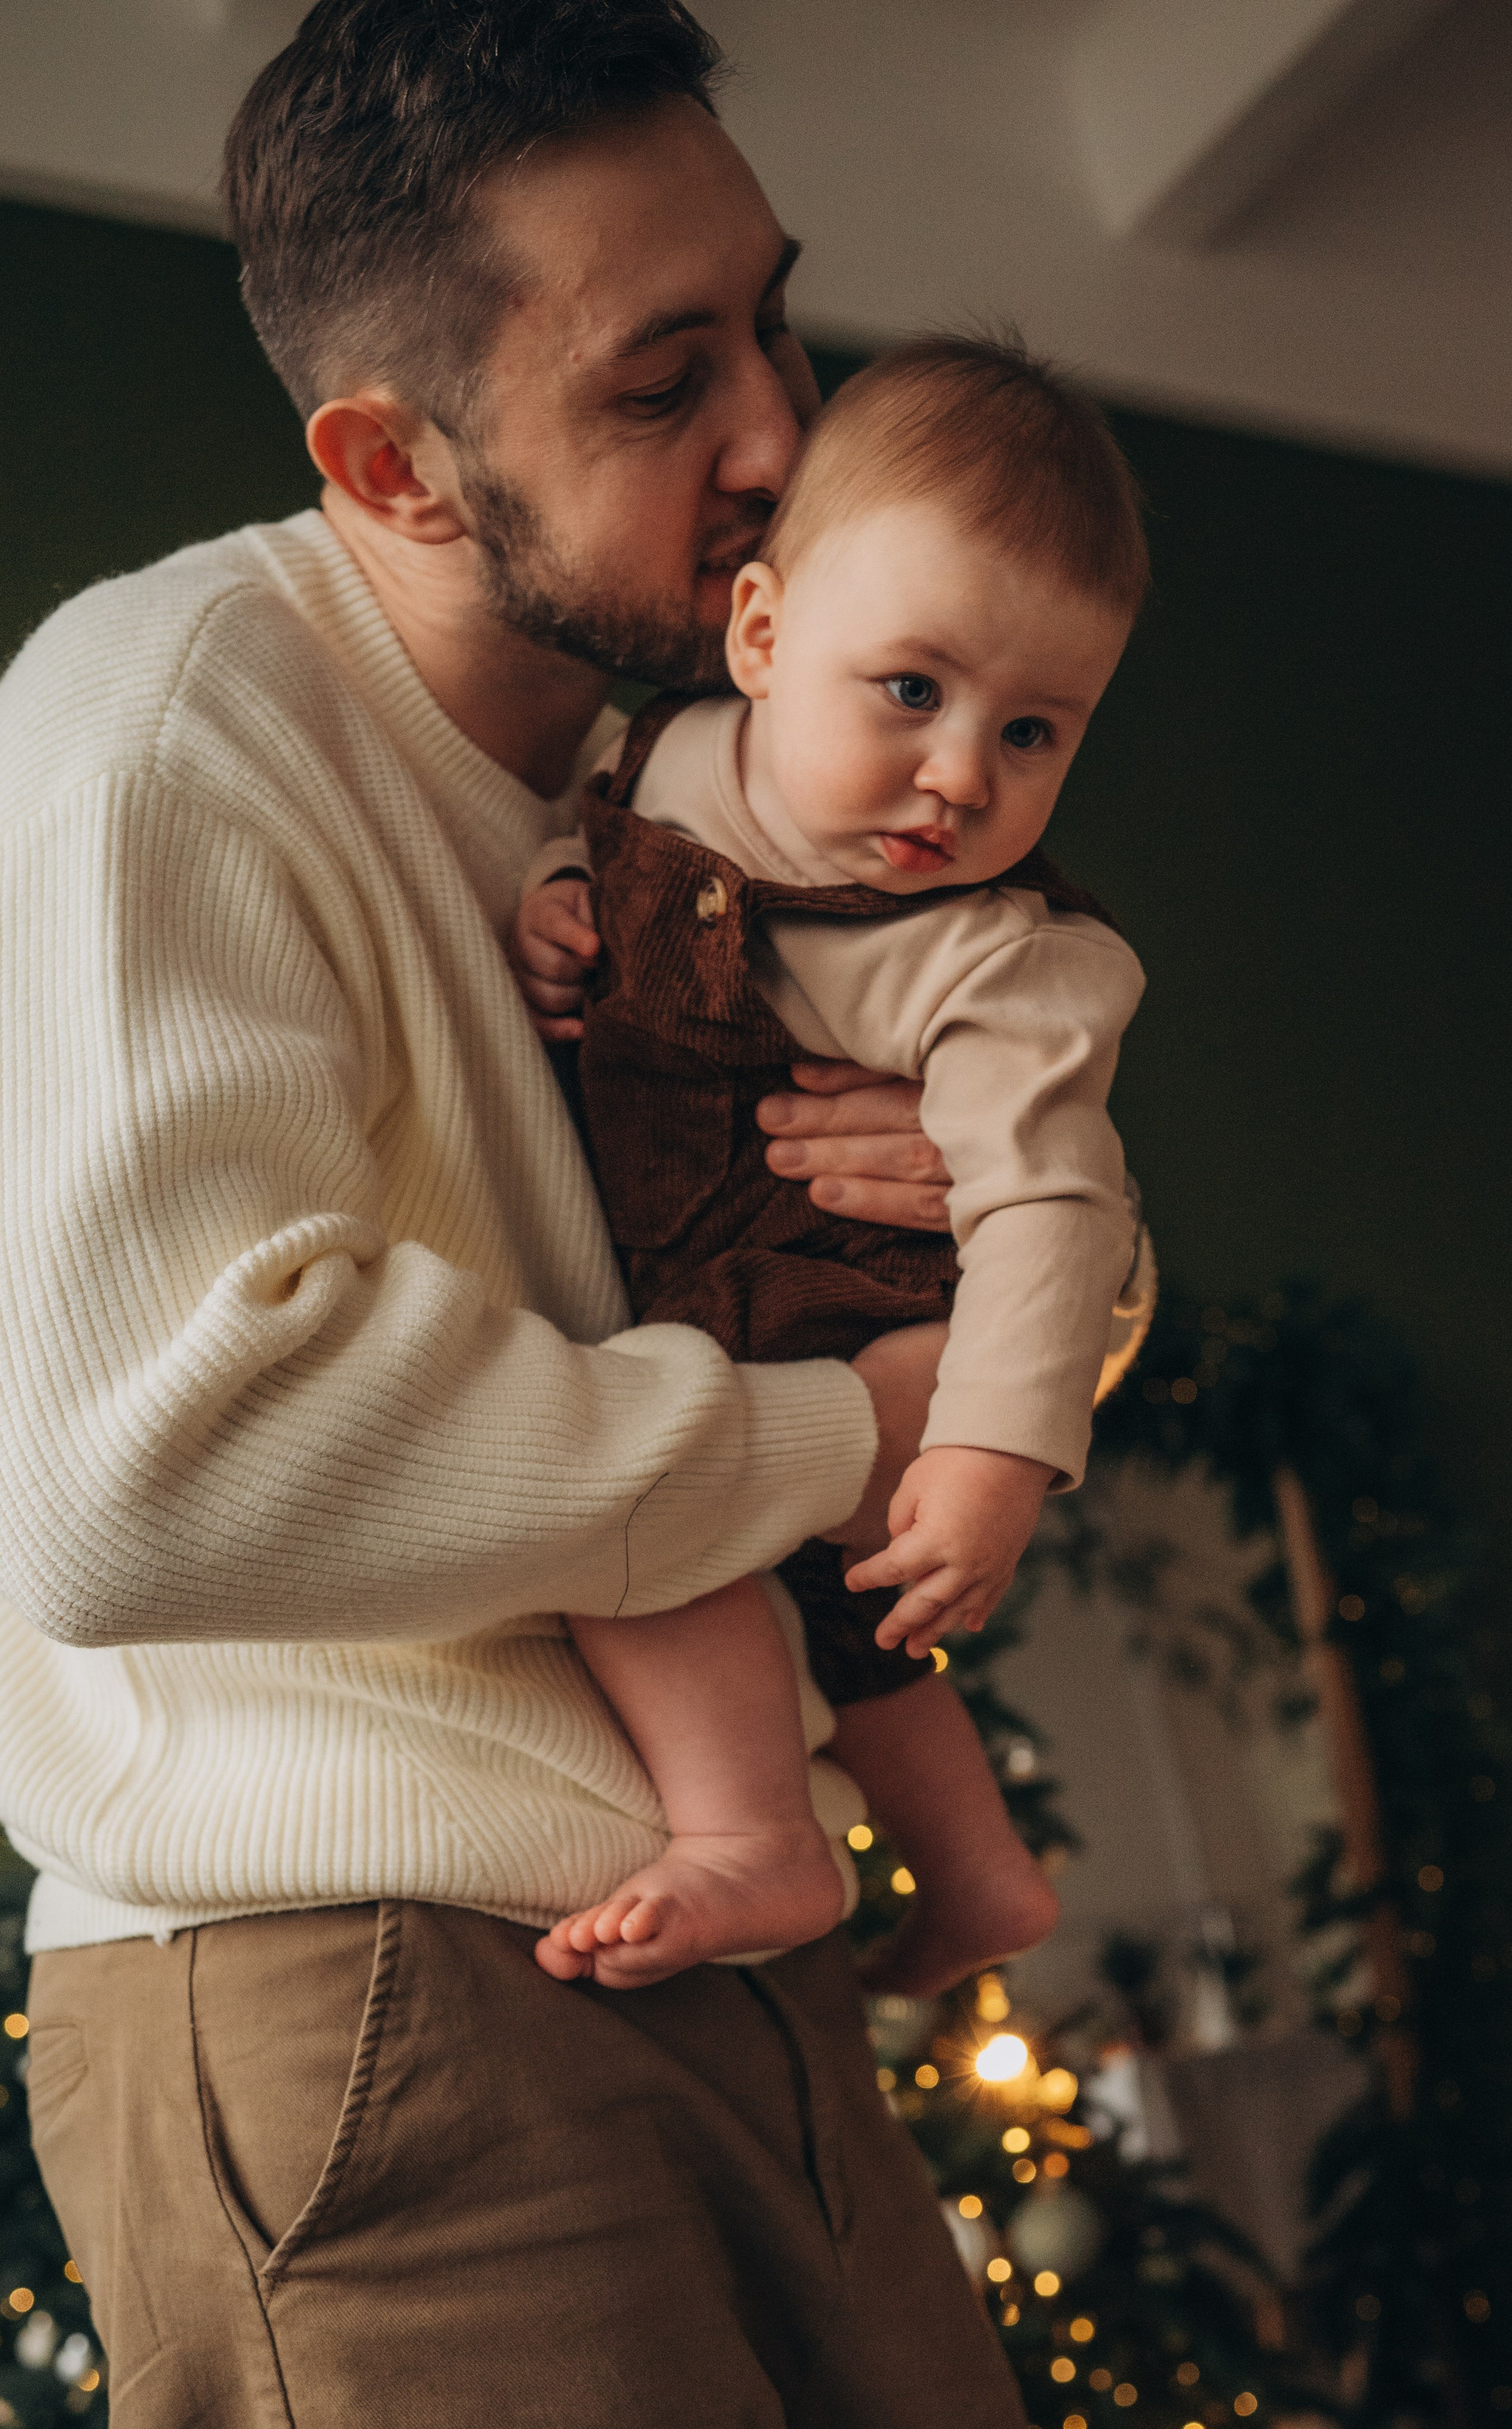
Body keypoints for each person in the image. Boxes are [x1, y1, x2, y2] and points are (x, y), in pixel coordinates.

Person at [0, 4, 1043, 2422]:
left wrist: (997, 1265)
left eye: (773, 314)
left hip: (730, 1942)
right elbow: (148, 1466)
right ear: (394, 461)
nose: (788, 432)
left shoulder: (721, 765)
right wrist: (833, 1430)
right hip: (369, 1988)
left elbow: (1023, 1207)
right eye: (663, 381)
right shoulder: (164, 730)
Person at [509, 337, 1152, 1997]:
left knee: (640, 1523)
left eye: (1033, 731)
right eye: (913, 692)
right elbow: (595, 850)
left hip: (869, 1327)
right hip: (719, 1292)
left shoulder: (999, 963)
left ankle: (751, 1838)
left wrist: (999, 1447)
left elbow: (1051, 1204)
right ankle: (981, 1870)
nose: (960, 775)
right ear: (765, 634)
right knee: (833, 1620)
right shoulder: (659, 765)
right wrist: (555, 908)